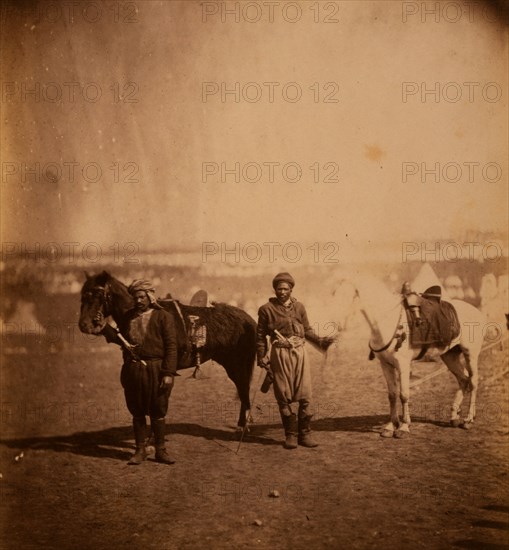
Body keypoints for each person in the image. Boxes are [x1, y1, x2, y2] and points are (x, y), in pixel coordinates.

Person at [256, 272, 335, 449]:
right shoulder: (266, 309)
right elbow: (260, 336)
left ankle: (305, 434)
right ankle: (290, 435)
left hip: (300, 353)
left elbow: (306, 329)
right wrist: (261, 356)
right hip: (280, 354)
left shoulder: (299, 307)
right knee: (283, 395)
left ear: (291, 289)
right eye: (279, 288)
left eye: (285, 288)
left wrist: (321, 341)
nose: (282, 292)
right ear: (274, 290)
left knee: (305, 394)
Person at [118, 279, 178, 465]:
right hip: (134, 370)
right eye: (135, 297)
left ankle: (160, 450)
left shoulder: (163, 317)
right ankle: (140, 450)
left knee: (158, 409)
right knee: (137, 410)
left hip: (157, 368)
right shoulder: (127, 317)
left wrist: (168, 373)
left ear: (150, 296)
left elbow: (171, 347)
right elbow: (121, 343)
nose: (138, 301)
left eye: (142, 297)